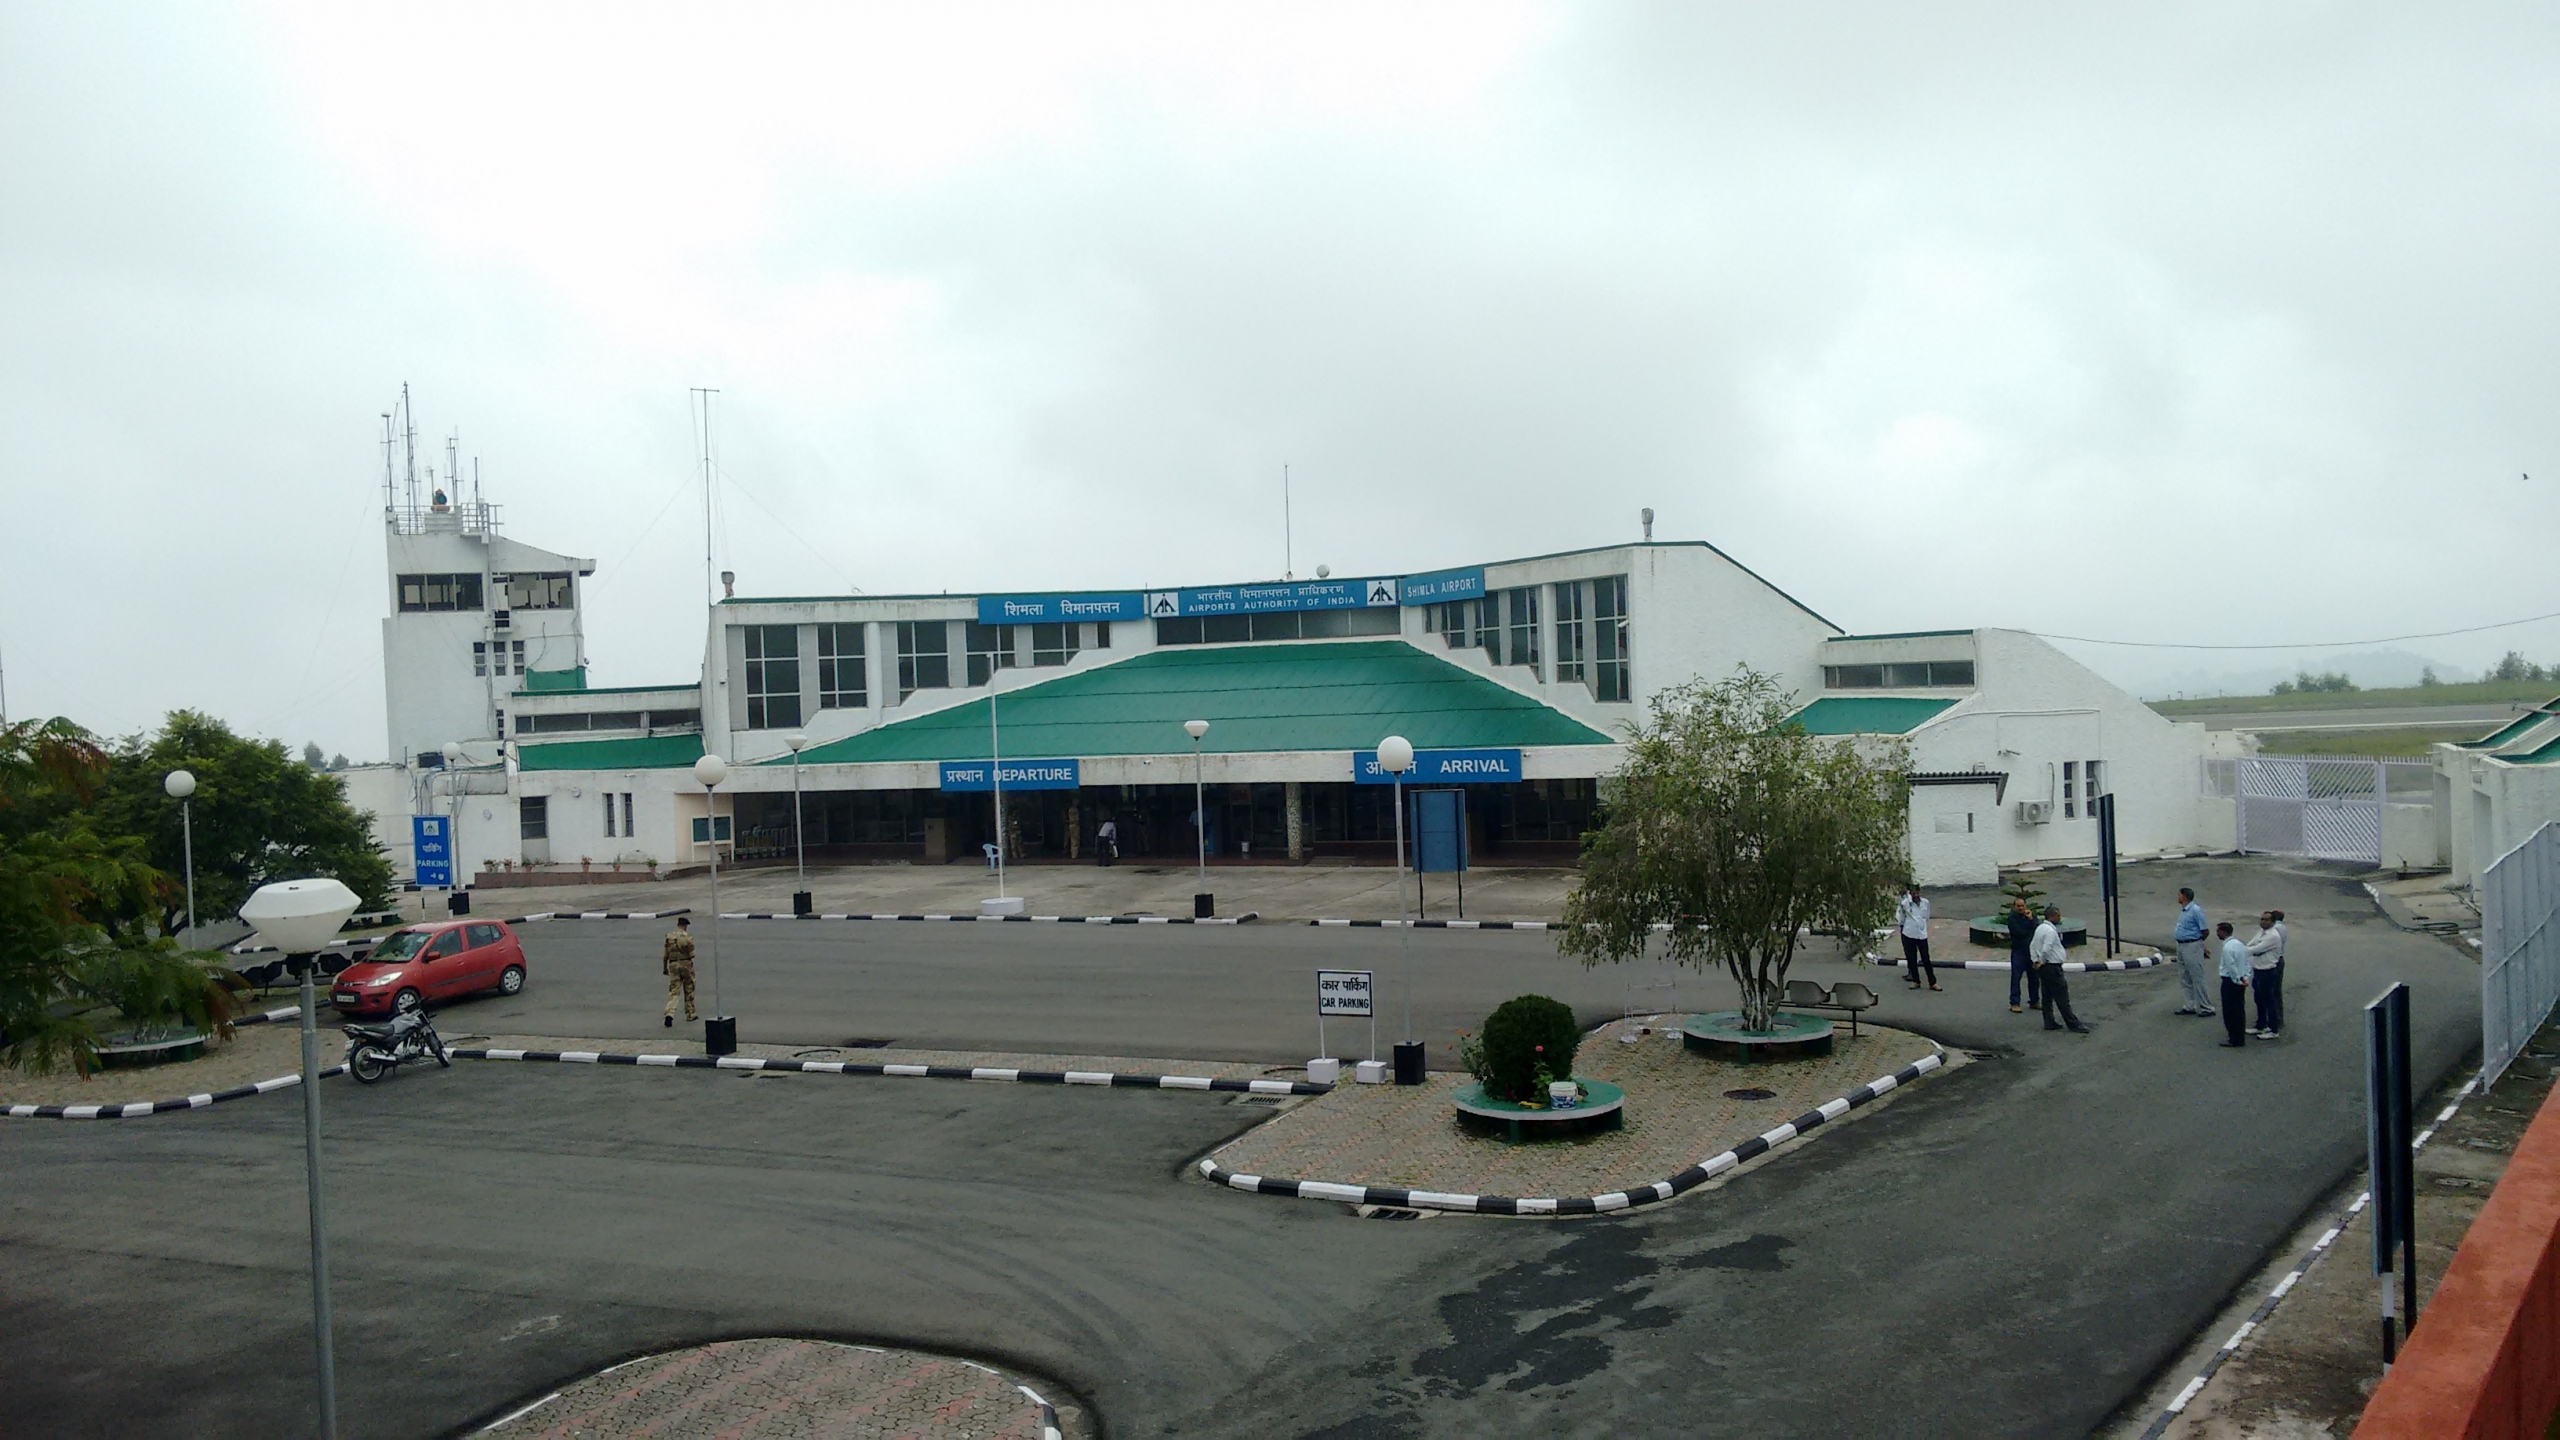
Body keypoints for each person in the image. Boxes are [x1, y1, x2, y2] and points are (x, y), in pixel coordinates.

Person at [2031, 905, 2087, 1033]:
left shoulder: (2040, 928)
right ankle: (2073, 1024)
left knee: (2047, 996)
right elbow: (2046, 948)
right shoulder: (2050, 931)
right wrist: (2042, 961)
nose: (2059, 918)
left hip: (2044, 968)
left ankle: (2049, 1022)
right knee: (2062, 997)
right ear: (2052, 916)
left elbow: (2032, 945)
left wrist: (2035, 960)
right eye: (2058, 915)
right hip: (2052, 966)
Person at [2172, 887, 2215, 1017]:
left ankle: (2207, 1007)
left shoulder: (2195, 910)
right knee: (2185, 977)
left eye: (2179, 894)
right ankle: (2189, 1005)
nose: (2177, 897)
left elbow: (2205, 930)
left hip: (2192, 945)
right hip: (2181, 945)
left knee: (2197, 977)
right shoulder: (2184, 911)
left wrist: (2199, 944)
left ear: (2184, 896)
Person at [2246, 909, 2288, 1039]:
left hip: (2267, 971)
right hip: (2258, 970)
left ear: (2273, 922)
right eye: (2262, 919)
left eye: (2266, 920)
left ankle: (2273, 1029)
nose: (2263, 922)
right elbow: (2250, 944)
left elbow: (2256, 949)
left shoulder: (2272, 936)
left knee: (2269, 1000)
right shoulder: (2261, 933)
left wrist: (2242, 950)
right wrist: (2245, 949)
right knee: (2259, 999)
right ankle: (2261, 1024)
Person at [2216, 921, 2252, 1047]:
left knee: (2230, 1011)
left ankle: (2233, 1037)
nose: (2217, 934)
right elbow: (2247, 962)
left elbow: (2231, 966)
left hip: (2230, 981)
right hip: (2241, 979)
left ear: (2222, 931)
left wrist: (2236, 980)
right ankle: (2239, 1036)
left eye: (2218, 931)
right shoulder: (2240, 944)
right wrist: (2245, 977)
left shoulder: (2227, 947)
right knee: (2239, 1009)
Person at [1897, 885, 1939, 992]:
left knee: (1926, 959)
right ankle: (1916, 981)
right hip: (1909, 933)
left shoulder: (1925, 902)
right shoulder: (1906, 903)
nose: (1916, 895)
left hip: (1921, 934)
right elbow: (1901, 917)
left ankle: (1932, 982)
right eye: (1913, 893)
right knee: (1912, 959)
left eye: (1917, 893)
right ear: (1910, 893)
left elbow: (1927, 916)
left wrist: (1922, 926)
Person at [2005, 897, 2041, 1014]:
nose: (2021, 908)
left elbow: (2038, 928)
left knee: (2034, 977)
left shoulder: (2031, 917)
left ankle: (2034, 1000)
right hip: (2018, 951)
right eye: (2018, 906)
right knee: (2016, 977)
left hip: (2031, 952)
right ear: (2014, 907)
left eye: (2022, 906)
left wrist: (2030, 919)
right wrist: (2030, 927)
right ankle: (2014, 1003)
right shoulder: (2012, 919)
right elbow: (2019, 932)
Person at [662, 916, 698, 1027]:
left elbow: (665, 955)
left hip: (672, 964)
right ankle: (690, 1013)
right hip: (685, 964)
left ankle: (670, 1013)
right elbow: (692, 954)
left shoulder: (669, 936)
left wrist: (665, 968)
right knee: (689, 988)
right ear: (685, 925)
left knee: (674, 991)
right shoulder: (687, 937)